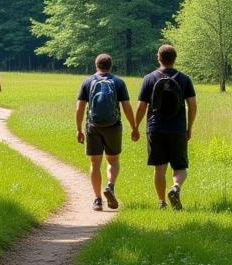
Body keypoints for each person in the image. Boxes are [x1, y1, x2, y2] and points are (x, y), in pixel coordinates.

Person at [134, 44, 197, 210]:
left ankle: (161, 202)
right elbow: (192, 105)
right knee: (180, 167)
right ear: (174, 59)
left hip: (155, 129)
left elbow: (141, 106)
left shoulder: (149, 78)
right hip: (177, 129)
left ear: (158, 58)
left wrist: (135, 126)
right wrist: (189, 127)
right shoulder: (184, 79)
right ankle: (175, 188)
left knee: (159, 168)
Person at [75, 53, 137, 212]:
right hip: (113, 126)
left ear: (96, 65)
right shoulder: (118, 82)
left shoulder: (87, 82)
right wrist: (134, 127)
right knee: (113, 160)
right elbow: (126, 107)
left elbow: (80, 107)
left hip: (93, 126)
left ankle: (97, 200)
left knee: (95, 163)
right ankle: (110, 186)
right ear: (110, 65)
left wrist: (79, 129)